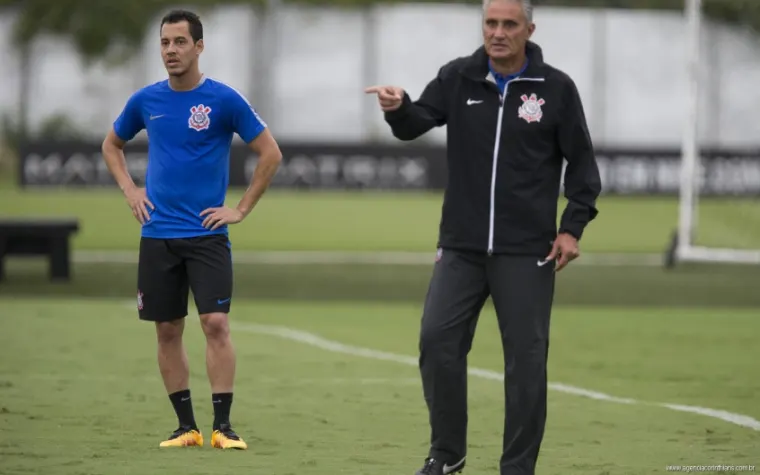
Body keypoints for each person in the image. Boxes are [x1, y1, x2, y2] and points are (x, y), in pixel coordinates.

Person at [365, 0, 601, 473]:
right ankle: (447, 456)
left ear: (529, 29)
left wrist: (571, 228)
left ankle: (517, 467)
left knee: (526, 365)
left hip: (527, 250)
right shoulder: (459, 77)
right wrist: (398, 107)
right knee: (436, 342)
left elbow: (583, 166)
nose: (497, 32)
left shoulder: (555, 88)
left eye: (508, 24)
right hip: (461, 247)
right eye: (490, 23)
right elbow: (417, 123)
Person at [101, 9, 282, 449]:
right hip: (157, 234)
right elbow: (111, 144)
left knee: (216, 323)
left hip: (207, 236)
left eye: (180, 42)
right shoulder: (146, 100)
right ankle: (187, 428)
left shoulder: (224, 101)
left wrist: (239, 209)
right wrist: (129, 189)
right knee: (167, 329)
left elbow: (270, 153)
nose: (170, 51)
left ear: (199, 47)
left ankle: (223, 427)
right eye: (164, 43)